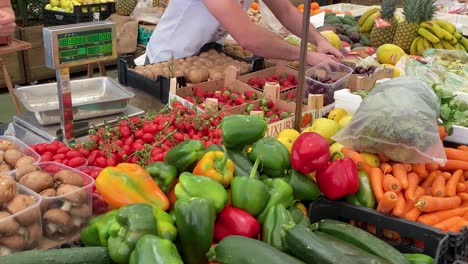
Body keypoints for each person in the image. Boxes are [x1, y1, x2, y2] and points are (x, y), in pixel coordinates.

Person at [140, 0, 342, 66]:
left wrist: (318, 40)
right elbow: (248, 37)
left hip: (207, 57)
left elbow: (286, 11)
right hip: (166, 63)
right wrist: (307, 56)